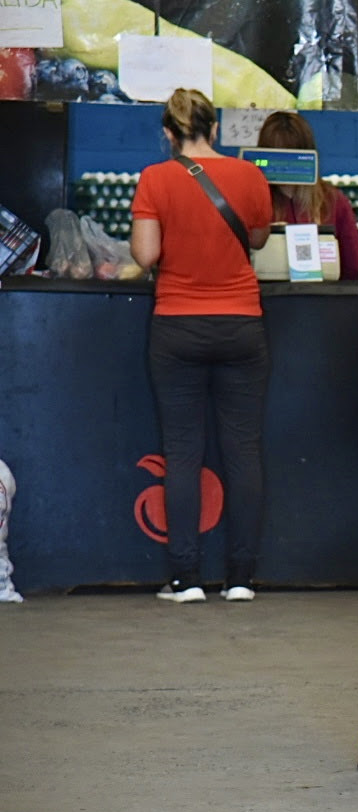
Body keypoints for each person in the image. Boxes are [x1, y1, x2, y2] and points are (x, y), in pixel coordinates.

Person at [130, 88, 274, 603]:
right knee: (243, 451)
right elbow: (257, 239)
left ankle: (186, 579)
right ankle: (241, 579)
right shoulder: (251, 176)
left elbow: (145, 255)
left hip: (178, 328)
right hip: (242, 325)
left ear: (168, 134)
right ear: (214, 129)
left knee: (182, 453)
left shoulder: (156, 179)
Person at [253, 111, 358, 279]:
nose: (284, 167)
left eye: (292, 158)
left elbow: (354, 268)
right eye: (276, 158)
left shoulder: (333, 202)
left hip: (324, 294)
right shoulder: (255, 202)